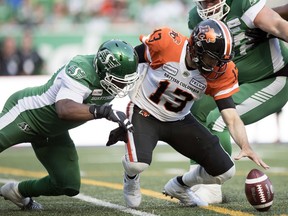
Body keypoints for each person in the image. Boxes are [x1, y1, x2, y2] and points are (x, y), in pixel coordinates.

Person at [109, 19, 269, 208]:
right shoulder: (168, 45)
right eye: (213, 58)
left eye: (221, 60)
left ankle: (179, 186)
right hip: (145, 111)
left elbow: (231, 117)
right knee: (137, 164)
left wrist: (245, 145)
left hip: (179, 119)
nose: (218, 65)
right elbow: (130, 61)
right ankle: (131, 178)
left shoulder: (220, 72)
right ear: (197, 48)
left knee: (225, 171)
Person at [0, 39, 139, 210]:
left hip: (53, 131)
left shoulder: (112, 76)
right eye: (119, 80)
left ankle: (17, 191)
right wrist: (104, 112)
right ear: (104, 69)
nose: (123, 84)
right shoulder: (80, 68)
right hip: (25, 114)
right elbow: (64, 109)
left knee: (68, 184)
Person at [186, 0, 288, 204]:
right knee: (194, 112)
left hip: (272, 78)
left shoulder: (243, 3)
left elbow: (278, 25)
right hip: (232, 82)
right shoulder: (195, 17)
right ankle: (197, 178)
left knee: (218, 120)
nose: (208, 5)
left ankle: (213, 186)